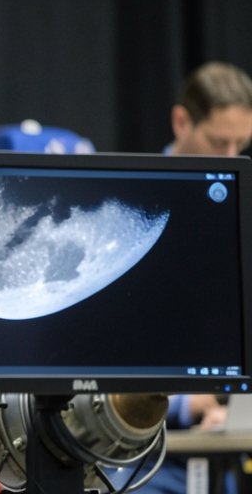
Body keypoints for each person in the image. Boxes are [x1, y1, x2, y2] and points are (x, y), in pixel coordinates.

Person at [126, 60, 252, 493]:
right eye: (219, 142)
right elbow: (113, 348)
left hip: (229, 436)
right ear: (182, 121)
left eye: (242, 143)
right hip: (145, 458)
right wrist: (186, 402)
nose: (232, 158)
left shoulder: (242, 205)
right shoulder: (133, 211)